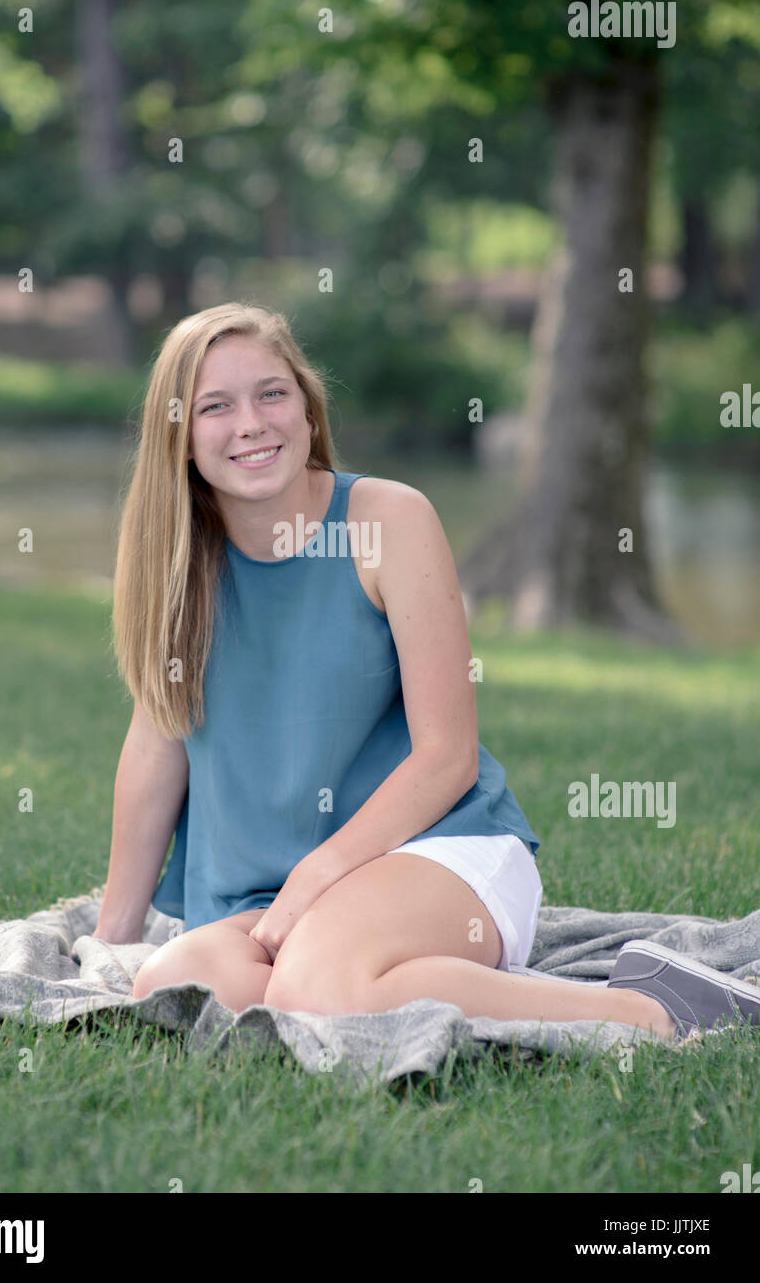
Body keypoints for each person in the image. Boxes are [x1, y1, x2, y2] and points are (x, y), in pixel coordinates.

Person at [94, 302, 760, 1045]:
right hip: (262, 893)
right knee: (179, 985)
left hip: (434, 851)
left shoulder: (387, 521)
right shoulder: (178, 567)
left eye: (271, 394)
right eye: (215, 406)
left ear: (308, 413)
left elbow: (446, 757)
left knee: (319, 988)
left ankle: (656, 1010)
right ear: (179, 436)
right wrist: (113, 938)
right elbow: (157, 747)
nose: (250, 423)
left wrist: (316, 877)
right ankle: (469, 988)